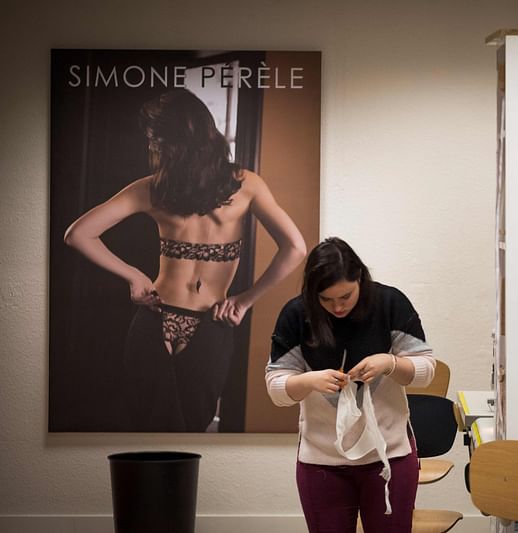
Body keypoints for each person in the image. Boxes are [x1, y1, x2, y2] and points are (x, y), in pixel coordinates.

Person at [64, 88, 306, 432]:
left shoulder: (153, 188)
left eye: (156, 141)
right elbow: (295, 247)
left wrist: (133, 275)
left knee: (146, 431)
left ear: (172, 142)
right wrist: (245, 300)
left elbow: (78, 233)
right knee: (187, 434)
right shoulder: (245, 185)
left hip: (161, 319)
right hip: (202, 320)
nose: (153, 148)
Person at [266, 237, 435, 533]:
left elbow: (425, 371)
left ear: (360, 278)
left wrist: (390, 363)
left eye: (345, 296)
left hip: (389, 457)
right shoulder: (296, 314)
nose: (337, 307)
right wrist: (308, 381)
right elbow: (276, 388)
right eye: (326, 299)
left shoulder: (389, 303)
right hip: (321, 461)